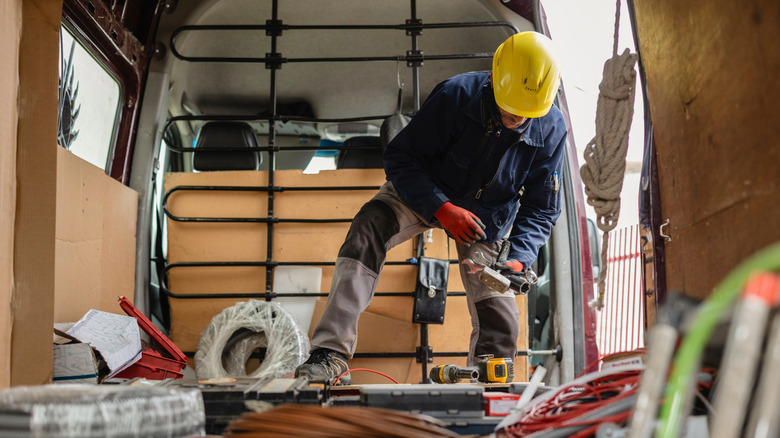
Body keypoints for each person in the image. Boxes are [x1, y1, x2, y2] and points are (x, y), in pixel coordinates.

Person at [295, 31, 566, 385]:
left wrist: (519, 257)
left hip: (487, 219)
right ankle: (330, 354)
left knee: (498, 305)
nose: (516, 119)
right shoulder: (456, 95)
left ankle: (491, 381)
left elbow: (541, 208)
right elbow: (401, 157)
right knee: (369, 225)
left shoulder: (551, 128)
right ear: (496, 80)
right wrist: (440, 208)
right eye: (509, 109)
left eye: (526, 114)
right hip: (424, 191)